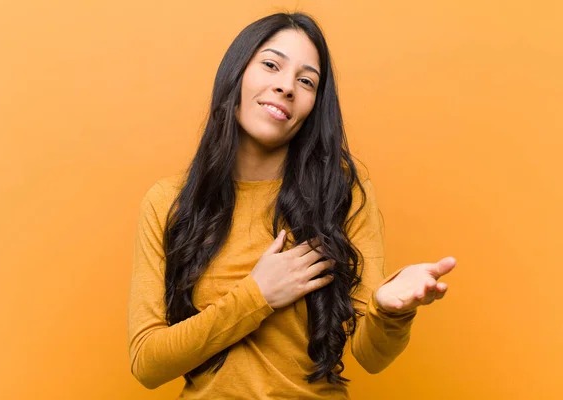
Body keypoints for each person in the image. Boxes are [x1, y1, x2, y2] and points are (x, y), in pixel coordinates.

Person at [127, 12, 456, 399]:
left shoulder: (343, 195)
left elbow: (371, 356)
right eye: (271, 65)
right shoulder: (169, 202)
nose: (286, 87)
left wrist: (390, 311)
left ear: (314, 106)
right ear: (237, 73)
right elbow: (147, 363)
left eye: (306, 81)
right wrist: (258, 294)